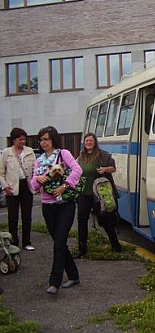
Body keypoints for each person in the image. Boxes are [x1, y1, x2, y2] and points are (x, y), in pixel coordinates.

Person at [30, 126, 82, 295]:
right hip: (47, 206)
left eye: (46, 139)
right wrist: (38, 178)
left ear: (53, 140)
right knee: (60, 244)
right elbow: (33, 185)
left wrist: (64, 185)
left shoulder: (63, 154)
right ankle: (74, 275)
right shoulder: (39, 161)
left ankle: (54, 283)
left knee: (59, 243)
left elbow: (77, 170)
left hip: (65, 204)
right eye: (41, 139)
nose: (43, 142)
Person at [72, 132, 121, 259]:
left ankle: (115, 246)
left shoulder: (102, 155)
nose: (88, 143)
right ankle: (82, 249)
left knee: (104, 219)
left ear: (95, 142)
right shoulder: (80, 157)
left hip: (98, 194)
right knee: (82, 220)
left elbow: (113, 168)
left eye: (91, 141)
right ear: (84, 142)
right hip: (84, 193)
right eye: (87, 141)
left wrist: (104, 169)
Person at [0, 128, 36, 251]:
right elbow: (1, 172)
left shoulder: (29, 151)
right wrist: (5, 186)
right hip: (12, 186)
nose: (22, 142)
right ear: (14, 140)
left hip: (26, 185)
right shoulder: (6, 152)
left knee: (27, 215)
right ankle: (13, 241)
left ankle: (27, 241)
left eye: (24, 139)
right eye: (20, 139)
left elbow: (35, 170)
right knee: (13, 216)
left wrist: (35, 185)